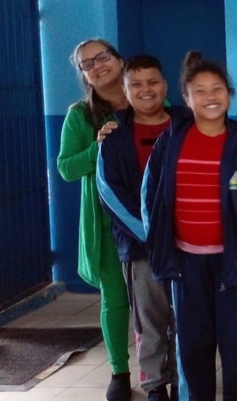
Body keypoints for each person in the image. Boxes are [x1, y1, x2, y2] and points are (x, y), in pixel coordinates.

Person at [143, 51, 237, 401]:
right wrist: (159, 243)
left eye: (217, 88)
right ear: (186, 99)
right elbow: (151, 197)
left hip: (233, 263)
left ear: (229, 94)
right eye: (199, 91)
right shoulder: (170, 142)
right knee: (193, 348)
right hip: (186, 266)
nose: (210, 97)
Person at [96, 55, 183, 401]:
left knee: (187, 318)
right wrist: (155, 236)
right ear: (125, 90)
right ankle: (154, 385)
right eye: (136, 84)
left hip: (191, 246)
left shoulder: (187, 125)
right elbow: (110, 194)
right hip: (142, 248)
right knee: (150, 320)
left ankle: (182, 379)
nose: (146, 90)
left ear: (165, 87)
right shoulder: (115, 138)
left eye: (153, 82)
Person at [57, 39, 133, 400]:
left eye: (103, 57)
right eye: (87, 64)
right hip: (105, 224)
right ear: (83, 74)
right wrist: (96, 146)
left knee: (160, 302)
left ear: (119, 60)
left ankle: (162, 368)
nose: (98, 65)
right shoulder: (80, 115)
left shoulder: (147, 100)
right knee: (115, 301)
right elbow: (66, 168)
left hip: (150, 220)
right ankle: (119, 371)